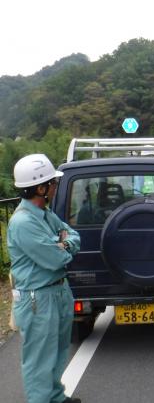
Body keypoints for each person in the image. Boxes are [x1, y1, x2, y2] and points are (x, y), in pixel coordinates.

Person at [7, 154, 81, 403]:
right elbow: (55, 259)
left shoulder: (45, 214)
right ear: (40, 188)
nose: (55, 186)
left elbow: (73, 236)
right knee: (40, 358)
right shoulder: (23, 222)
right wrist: (61, 243)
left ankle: (56, 397)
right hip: (38, 297)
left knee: (58, 351)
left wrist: (62, 242)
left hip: (57, 291)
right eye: (52, 183)